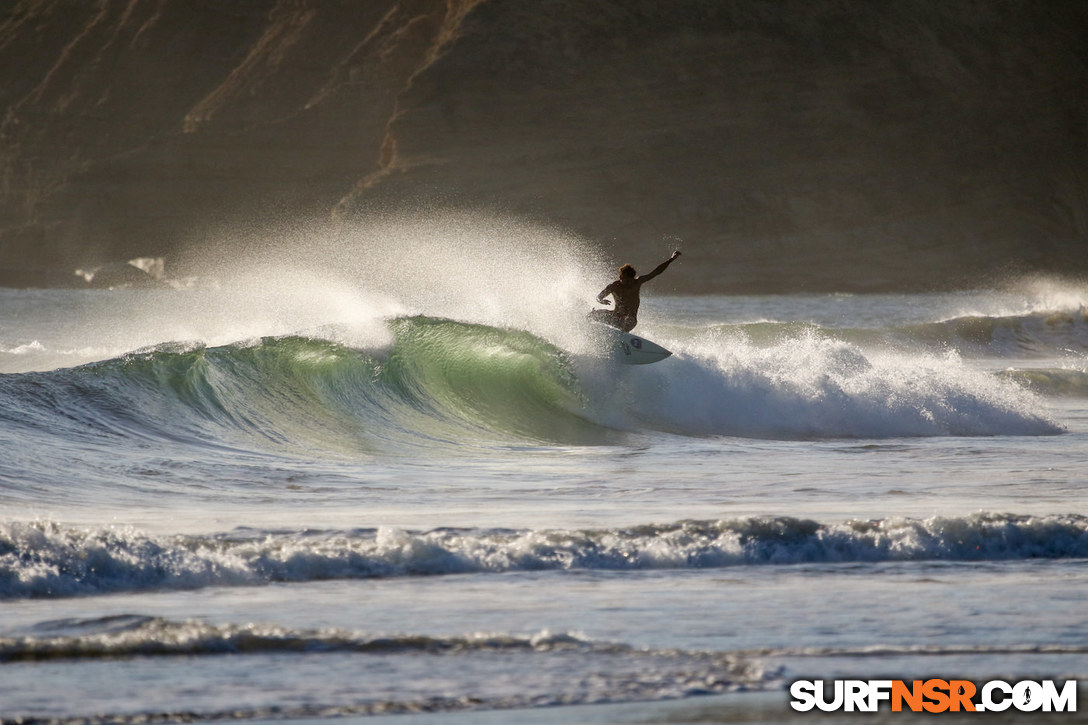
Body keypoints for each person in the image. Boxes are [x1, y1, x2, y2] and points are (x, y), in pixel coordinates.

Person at [590, 250, 681, 332]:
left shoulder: (637, 282)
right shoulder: (614, 286)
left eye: (631, 280)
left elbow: (656, 272)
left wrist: (671, 259)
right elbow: (599, 297)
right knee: (594, 314)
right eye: (627, 281)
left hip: (630, 320)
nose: (629, 283)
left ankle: (622, 337)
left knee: (628, 321)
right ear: (620, 278)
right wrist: (601, 300)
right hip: (616, 316)